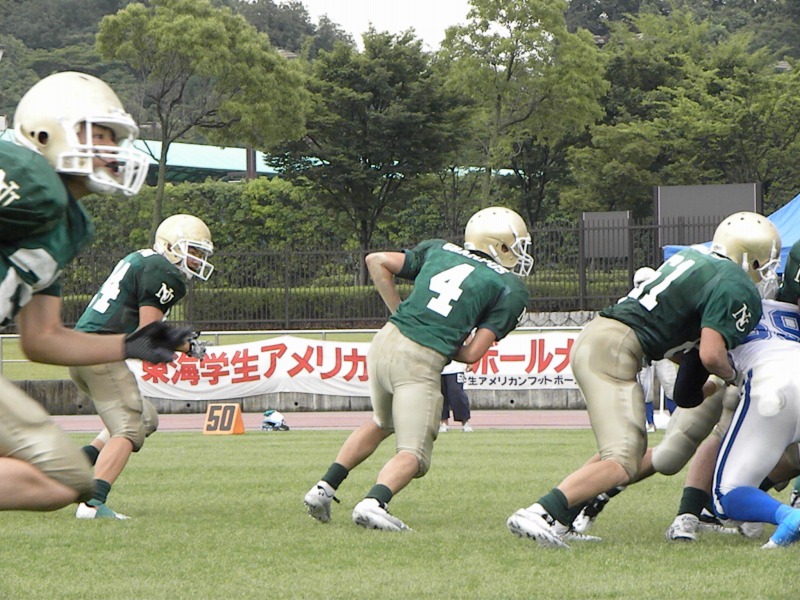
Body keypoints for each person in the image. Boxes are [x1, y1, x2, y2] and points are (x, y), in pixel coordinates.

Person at [507, 211, 780, 548]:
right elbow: (711, 355)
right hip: (616, 349)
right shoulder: (735, 283)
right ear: (751, 256)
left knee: (625, 452)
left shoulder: (693, 257)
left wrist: (704, 383)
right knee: (622, 460)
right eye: (765, 263)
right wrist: (734, 375)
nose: (766, 272)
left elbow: (674, 340)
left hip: (605, 339)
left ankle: (562, 520)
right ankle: (541, 512)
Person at [0, 71, 192, 511]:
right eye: (99, 135)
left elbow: (42, 338)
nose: (112, 150)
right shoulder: (26, 178)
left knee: (63, 481)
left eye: (114, 139)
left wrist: (132, 344)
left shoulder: (67, 224)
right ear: (46, 132)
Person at [304, 206, 532, 531]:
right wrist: (439, 337)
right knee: (415, 453)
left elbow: (376, 261)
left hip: (385, 341)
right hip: (419, 360)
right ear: (500, 245)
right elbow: (472, 354)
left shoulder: (439, 249)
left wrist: (400, 313)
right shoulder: (509, 286)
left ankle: (323, 489)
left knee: (382, 422)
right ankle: (374, 503)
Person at [70, 213, 214, 519]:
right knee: (129, 427)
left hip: (84, 352)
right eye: (193, 250)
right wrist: (186, 346)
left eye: (200, 253)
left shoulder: (141, 259)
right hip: (101, 353)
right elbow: (148, 334)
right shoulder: (163, 271)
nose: (197, 259)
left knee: (146, 417)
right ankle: (92, 504)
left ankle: (79, 463)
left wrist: (178, 343)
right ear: (171, 246)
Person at [439, 360, 472, 433]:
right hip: (438, 369)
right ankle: (444, 424)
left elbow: (464, 352)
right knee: (441, 396)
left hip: (456, 369)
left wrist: (469, 362)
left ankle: (465, 423)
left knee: (457, 395)